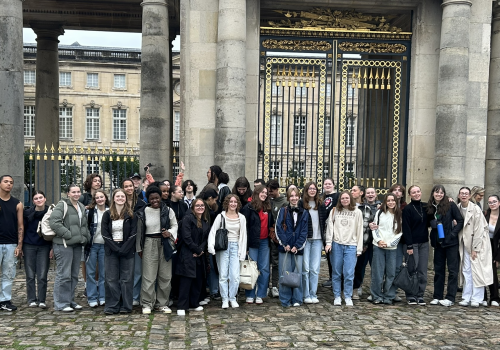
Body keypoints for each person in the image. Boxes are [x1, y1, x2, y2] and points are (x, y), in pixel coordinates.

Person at [135, 186, 178, 314]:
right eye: (152, 198)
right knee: (149, 275)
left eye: (157, 198)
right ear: (148, 199)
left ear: (161, 197)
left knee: (165, 275)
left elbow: (175, 225)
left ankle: (162, 303)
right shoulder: (143, 212)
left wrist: (169, 232)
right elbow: (139, 231)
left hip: (164, 243)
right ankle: (147, 303)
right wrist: (139, 248)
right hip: (149, 243)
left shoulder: (168, 210)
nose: (155, 200)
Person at [49, 184, 91, 312]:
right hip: (64, 244)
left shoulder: (81, 206)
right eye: (74, 192)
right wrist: (68, 235)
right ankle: (61, 303)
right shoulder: (62, 205)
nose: (76, 194)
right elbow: (54, 222)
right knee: (64, 274)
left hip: (77, 244)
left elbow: (83, 225)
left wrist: (85, 237)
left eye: (78, 192)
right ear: (68, 193)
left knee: (73, 275)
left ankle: (70, 300)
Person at [207, 195, 247, 308]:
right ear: (227, 203)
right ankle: (225, 299)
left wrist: (242, 252)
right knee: (223, 274)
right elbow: (213, 231)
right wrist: (211, 246)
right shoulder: (221, 216)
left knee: (234, 276)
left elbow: (243, 236)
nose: (233, 204)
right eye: (231, 202)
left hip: (236, 246)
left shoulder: (242, 218)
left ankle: (232, 298)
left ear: (238, 204)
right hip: (223, 247)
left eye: (235, 202)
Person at [427, 185, 464, 307]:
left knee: (452, 271)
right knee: (439, 270)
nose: (439, 195)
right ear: (433, 193)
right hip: (438, 243)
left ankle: (450, 297)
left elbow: (460, 221)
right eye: (437, 192)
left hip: (451, 243)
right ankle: (437, 296)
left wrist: (453, 234)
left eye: (441, 193)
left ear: (444, 194)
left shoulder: (450, 205)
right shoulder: (430, 206)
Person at [325, 191, 363, 307]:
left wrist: (359, 248)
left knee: (349, 272)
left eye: (347, 198)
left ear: (350, 199)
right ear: (340, 200)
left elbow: (360, 229)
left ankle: (347, 295)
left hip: (351, 245)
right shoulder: (334, 211)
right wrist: (328, 242)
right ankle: (337, 295)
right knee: (336, 272)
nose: (345, 200)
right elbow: (330, 227)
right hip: (337, 244)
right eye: (342, 198)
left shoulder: (357, 212)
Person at [101, 189, 137, 314]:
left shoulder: (131, 215)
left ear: (126, 199)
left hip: (127, 250)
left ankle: (126, 306)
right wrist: (116, 248)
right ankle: (112, 306)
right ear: (113, 198)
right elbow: (104, 234)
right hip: (111, 250)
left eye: (123, 196)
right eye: (118, 196)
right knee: (111, 279)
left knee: (126, 279)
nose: (120, 198)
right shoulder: (107, 214)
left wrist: (124, 248)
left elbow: (134, 234)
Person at [456, 187, 493, 307]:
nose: (464, 195)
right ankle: (466, 296)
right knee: (466, 270)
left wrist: (475, 248)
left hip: (477, 244)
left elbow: (479, 230)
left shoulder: (476, 209)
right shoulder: (457, 208)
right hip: (464, 243)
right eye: (462, 193)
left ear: (470, 195)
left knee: (477, 271)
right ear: (459, 195)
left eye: (466, 193)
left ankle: (477, 298)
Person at [275, 186, 308, 307]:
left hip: (297, 248)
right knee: (285, 273)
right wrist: (285, 244)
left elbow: (304, 232)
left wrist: (297, 246)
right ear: (288, 198)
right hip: (285, 247)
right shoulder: (283, 211)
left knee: (297, 273)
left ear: (299, 197)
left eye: (296, 196)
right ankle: (285, 298)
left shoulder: (304, 212)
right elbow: (278, 228)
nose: (294, 198)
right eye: (291, 196)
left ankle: (297, 298)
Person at [176, 198, 211, 315]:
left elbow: (206, 238)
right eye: (197, 206)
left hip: (199, 254)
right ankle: (182, 306)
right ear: (193, 207)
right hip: (187, 253)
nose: (200, 207)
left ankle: (194, 303)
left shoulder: (205, 221)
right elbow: (186, 237)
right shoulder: (188, 219)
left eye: (202, 205)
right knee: (186, 280)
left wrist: (200, 250)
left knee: (198, 280)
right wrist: (195, 249)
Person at [240, 185, 274, 304]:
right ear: (257, 192)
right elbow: (244, 228)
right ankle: (250, 293)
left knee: (264, 269)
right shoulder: (248, 207)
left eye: (266, 193)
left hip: (264, 241)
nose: (264, 194)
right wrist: (246, 246)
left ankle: (261, 294)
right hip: (252, 242)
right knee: (251, 268)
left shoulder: (268, 207)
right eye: (262, 192)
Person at [369, 193, 403, 304]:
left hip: (392, 248)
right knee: (377, 272)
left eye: (393, 200)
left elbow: (399, 233)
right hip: (378, 246)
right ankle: (376, 295)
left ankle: (388, 295)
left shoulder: (399, 214)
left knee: (391, 273)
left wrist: (388, 244)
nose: (391, 202)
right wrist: (379, 241)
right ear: (385, 202)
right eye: (388, 200)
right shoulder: (380, 213)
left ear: (396, 201)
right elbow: (375, 228)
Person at [401, 185, 431, 306]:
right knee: (412, 270)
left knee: (422, 270)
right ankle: (410, 295)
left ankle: (420, 294)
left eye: (418, 191)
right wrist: (409, 246)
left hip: (424, 243)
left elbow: (434, 215)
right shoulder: (407, 209)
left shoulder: (425, 206)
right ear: (410, 195)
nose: (416, 194)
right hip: (412, 243)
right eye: (414, 192)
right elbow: (406, 228)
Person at [23, 190, 50, 308]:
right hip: (29, 245)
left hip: (44, 246)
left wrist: (52, 248)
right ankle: (31, 299)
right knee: (30, 274)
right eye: (36, 198)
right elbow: (22, 229)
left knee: (42, 274)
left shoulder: (50, 212)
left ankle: (42, 299)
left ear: (45, 199)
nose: (39, 200)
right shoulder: (27, 213)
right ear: (33, 201)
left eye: (40, 198)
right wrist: (21, 246)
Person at [0, 175, 23, 312]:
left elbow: (20, 225)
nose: (9, 184)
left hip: (10, 243)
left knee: (8, 273)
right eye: (6, 182)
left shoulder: (17, 203)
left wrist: (19, 245)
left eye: (11, 182)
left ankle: (5, 300)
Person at [121, 178, 146, 306]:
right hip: (122, 241)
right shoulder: (119, 203)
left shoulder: (141, 203)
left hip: (137, 241)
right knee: (124, 271)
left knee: (137, 271)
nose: (129, 188)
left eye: (130, 186)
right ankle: (123, 296)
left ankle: (135, 296)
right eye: (126, 186)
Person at [300, 181, 325, 304]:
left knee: (314, 269)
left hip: (317, 239)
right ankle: (305, 294)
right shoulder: (301, 204)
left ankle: (313, 293)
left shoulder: (320, 204)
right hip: (305, 240)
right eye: (310, 188)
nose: (312, 190)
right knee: (305, 268)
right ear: (306, 190)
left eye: (314, 188)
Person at [353, 186, 380, 300]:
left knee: (376, 267)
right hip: (365, 240)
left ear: (375, 194)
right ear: (365, 195)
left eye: (372, 193)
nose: (370, 195)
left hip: (377, 242)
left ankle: (375, 289)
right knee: (360, 266)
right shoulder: (361, 207)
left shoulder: (381, 207)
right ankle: (357, 286)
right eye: (368, 193)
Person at [85, 190, 109, 307]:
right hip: (92, 245)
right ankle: (92, 297)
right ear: (95, 200)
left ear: (105, 198)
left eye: (102, 197)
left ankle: (103, 296)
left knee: (104, 273)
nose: (100, 199)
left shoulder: (110, 211)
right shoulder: (89, 212)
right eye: (97, 197)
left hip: (105, 245)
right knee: (91, 272)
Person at [267, 179, 288, 298]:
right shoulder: (268, 201)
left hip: (278, 236)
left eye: (271, 191)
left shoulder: (284, 202)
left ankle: (274, 285)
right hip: (268, 235)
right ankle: (265, 285)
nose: (270, 193)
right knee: (265, 263)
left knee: (276, 262)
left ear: (277, 189)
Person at [321, 178, 339, 288]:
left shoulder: (337, 196)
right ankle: (331, 277)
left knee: (335, 255)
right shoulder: (322, 198)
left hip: (334, 228)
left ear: (333, 185)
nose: (327, 185)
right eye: (325, 184)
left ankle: (336, 278)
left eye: (329, 184)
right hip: (324, 229)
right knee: (328, 254)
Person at [484, 195, 500, 306]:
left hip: (497, 247)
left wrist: (498, 257)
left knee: (493, 272)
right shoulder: (485, 215)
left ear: (499, 203)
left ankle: (495, 297)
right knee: (483, 271)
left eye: (494, 201)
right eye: (490, 202)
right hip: (485, 246)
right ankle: (483, 297)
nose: (492, 204)